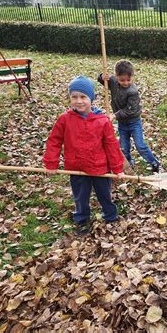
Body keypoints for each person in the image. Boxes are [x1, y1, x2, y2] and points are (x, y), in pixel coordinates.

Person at [43, 75, 124, 235]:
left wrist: (117, 168)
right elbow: (54, 141)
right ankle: (82, 219)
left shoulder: (102, 121)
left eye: (83, 97)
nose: (79, 101)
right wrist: (51, 163)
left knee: (104, 194)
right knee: (80, 197)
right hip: (76, 167)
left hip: (99, 167)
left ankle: (111, 216)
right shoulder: (65, 120)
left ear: (91, 99)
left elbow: (111, 145)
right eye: (74, 97)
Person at [98, 60, 161, 173]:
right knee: (124, 147)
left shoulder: (133, 91)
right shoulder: (113, 82)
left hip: (133, 122)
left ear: (132, 77)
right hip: (122, 123)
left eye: (128, 80)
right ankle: (128, 163)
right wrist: (102, 77)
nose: (126, 82)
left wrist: (114, 115)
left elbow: (129, 110)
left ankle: (154, 163)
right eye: (122, 80)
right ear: (116, 76)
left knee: (140, 145)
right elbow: (104, 81)